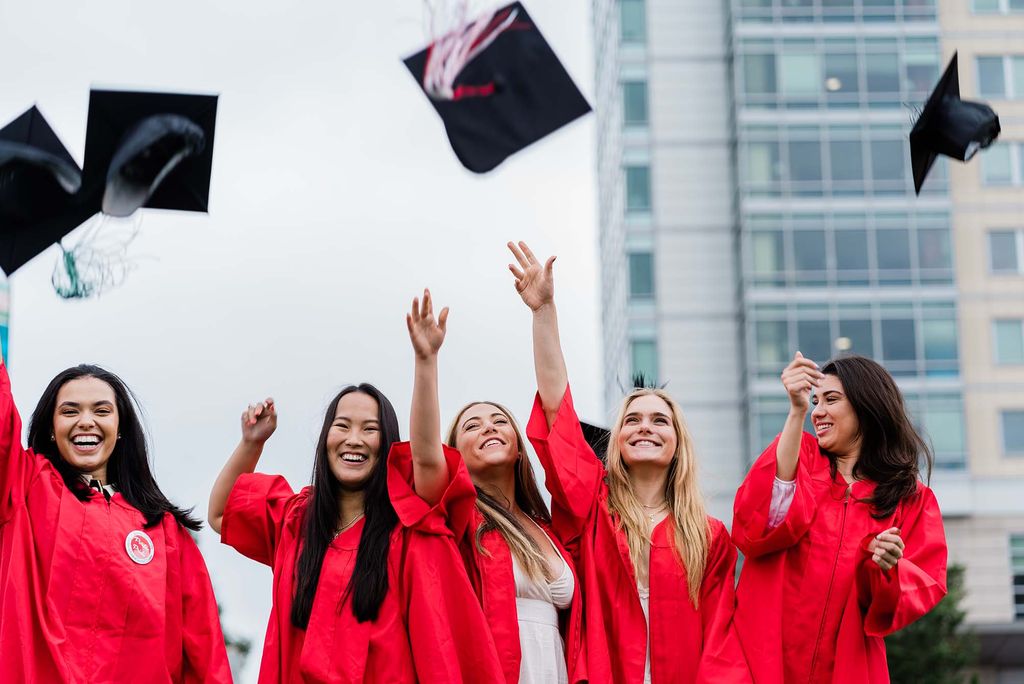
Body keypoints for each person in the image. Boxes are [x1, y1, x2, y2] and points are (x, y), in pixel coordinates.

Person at [208, 324, 503, 683]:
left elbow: (427, 460)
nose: (354, 440)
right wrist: (252, 443)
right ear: (325, 438)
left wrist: (426, 361)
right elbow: (222, 513)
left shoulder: (409, 533)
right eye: (342, 426)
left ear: (389, 443)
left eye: (370, 429)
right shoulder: (297, 521)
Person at [511, 241, 743, 683]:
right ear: (616, 441)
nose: (645, 427)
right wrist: (544, 313)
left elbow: (721, 637)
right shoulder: (593, 510)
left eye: (660, 420)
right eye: (632, 420)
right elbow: (558, 412)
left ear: (678, 443)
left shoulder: (709, 537)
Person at [0, 345, 230, 682]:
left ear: (120, 428)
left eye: (101, 410)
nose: (86, 421)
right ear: (51, 428)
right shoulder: (25, 488)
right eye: (69, 411)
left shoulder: (164, 532)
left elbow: (202, 647)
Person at [398, 288, 584, 684]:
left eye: (499, 421)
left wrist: (544, 311)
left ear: (518, 449)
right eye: (472, 425)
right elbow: (425, 456)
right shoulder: (458, 519)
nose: (489, 427)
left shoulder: (550, 530)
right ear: (456, 454)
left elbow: (558, 415)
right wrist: (426, 361)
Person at [732, 352, 948, 683]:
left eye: (831, 400)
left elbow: (916, 589)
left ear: (867, 407)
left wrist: (887, 568)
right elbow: (757, 525)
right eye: (815, 402)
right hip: (762, 660)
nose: (818, 412)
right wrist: (796, 412)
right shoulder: (799, 458)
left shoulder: (909, 499)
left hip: (847, 668)